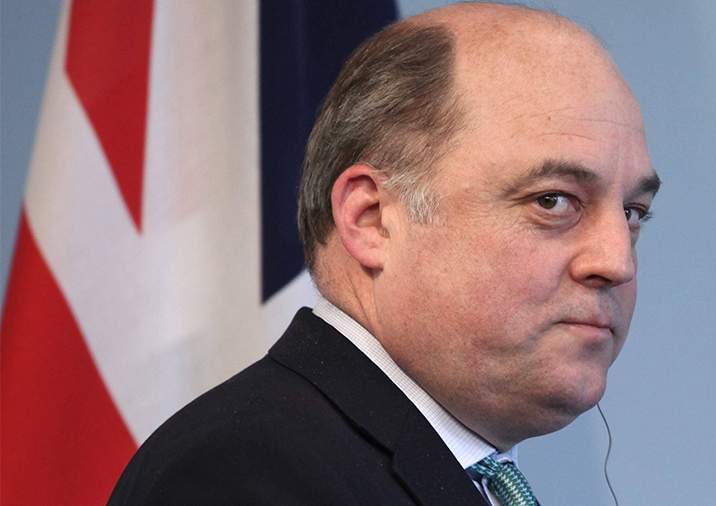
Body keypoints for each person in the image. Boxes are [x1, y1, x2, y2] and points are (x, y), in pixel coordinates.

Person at [110, 2, 660, 504]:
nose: (617, 262)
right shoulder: (243, 475)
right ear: (371, 219)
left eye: (633, 212)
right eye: (552, 201)